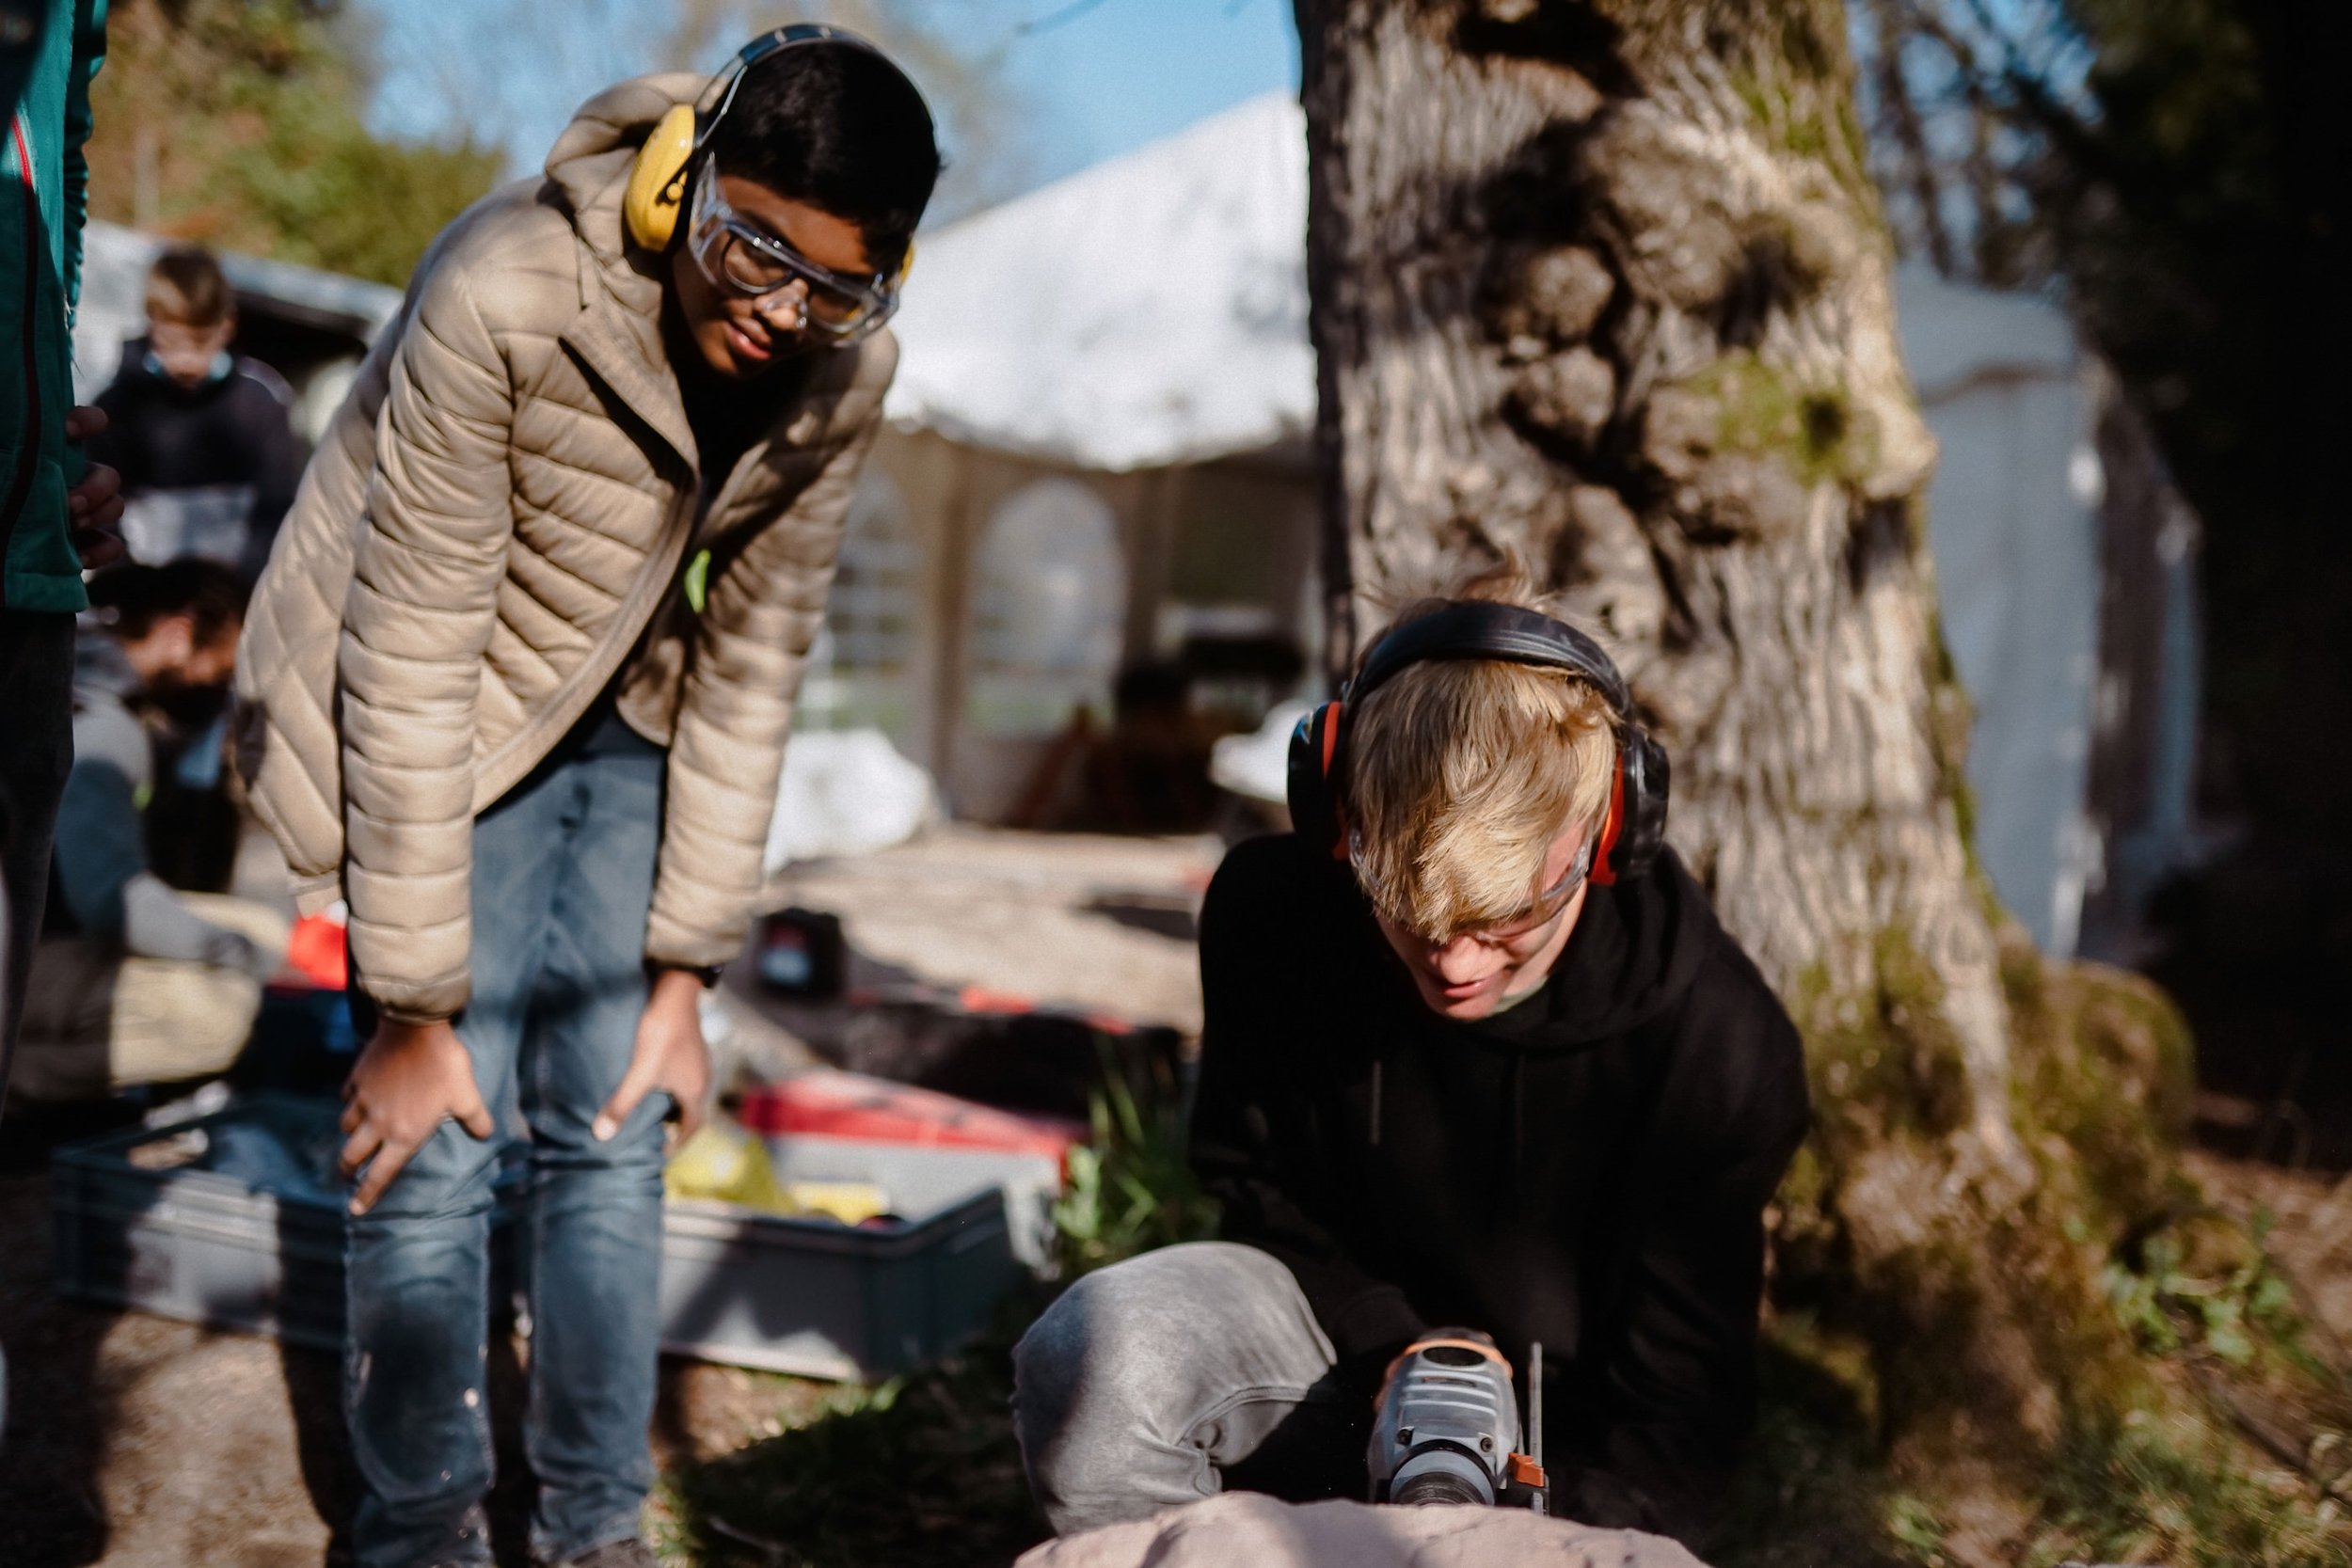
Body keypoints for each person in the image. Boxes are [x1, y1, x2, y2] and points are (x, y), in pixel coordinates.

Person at [231, 25, 937, 1568]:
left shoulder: (845, 368)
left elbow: (757, 664)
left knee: (616, 1115)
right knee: (441, 1123)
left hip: (623, 689)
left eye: (837, 283)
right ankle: (420, 1530)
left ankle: (596, 1531)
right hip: (430, 697)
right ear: (682, 182)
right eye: (753, 246)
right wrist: (412, 1006)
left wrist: (685, 972)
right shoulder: (510, 283)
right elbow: (408, 653)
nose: (781, 310)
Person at [1011, 574, 1812, 1549]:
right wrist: (1395, 1339)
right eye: (1408, 910)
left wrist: (1520, 1533)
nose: (1454, 961)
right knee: (1097, 1357)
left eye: (1503, 917)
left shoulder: (1717, 1041)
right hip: (1324, 1342)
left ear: (1607, 832)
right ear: (1339, 817)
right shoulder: (1273, 915)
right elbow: (1252, 1179)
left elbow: (1677, 1413)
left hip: (1569, 1440)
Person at [8, 560, 288, 1103]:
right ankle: (16, 1084)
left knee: (261, 930)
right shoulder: (101, 724)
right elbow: (111, 901)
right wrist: (228, 953)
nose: (219, 687)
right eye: (222, 668)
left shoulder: (55, 663)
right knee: (216, 1014)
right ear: (177, 635)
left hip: (34, 930)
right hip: (22, 946)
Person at [88, 243, 307, 578]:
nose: (187, 361)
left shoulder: (263, 403)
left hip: (231, 596)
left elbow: (277, 511)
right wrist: (130, 593)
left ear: (227, 326)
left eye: (201, 341)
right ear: (152, 324)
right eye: (172, 342)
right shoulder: (117, 407)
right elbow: (103, 517)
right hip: (140, 600)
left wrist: (240, 590)